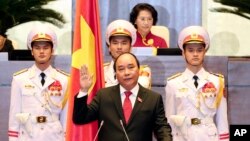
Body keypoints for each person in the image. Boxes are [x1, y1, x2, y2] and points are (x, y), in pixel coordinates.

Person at [73, 52, 172, 141]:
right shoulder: (103, 96)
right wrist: (84, 90)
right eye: (121, 69)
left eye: (131, 67)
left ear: (138, 70)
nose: (126, 73)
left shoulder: (153, 98)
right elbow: (80, 118)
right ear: (116, 73)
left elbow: (162, 128)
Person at [165, 26, 229, 141]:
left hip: (209, 136)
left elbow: (222, 119)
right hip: (183, 136)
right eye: (190, 50)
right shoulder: (173, 83)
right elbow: (170, 118)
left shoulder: (217, 81)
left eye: (199, 50)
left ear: (204, 53)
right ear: (183, 53)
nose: (195, 54)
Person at [8, 26, 69, 141]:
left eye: (46, 48)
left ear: (52, 50)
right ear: (31, 51)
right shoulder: (19, 79)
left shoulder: (64, 79)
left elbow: (65, 117)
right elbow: (14, 117)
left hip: (54, 136)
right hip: (28, 136)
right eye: (37, 48)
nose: (41, 51)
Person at [104, 19, 151, 88]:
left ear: (130, 47)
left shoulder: (142, 71)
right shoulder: (101, 71)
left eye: (124, 43)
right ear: (109, 47)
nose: (119, 47)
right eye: (115, 43)